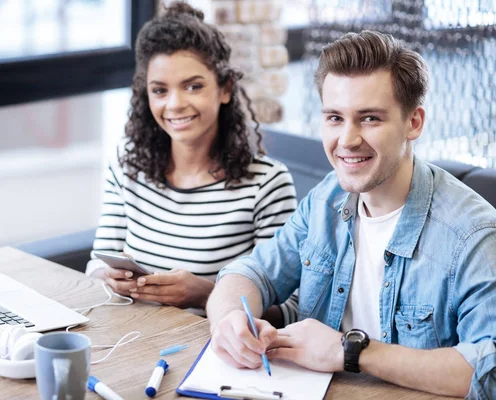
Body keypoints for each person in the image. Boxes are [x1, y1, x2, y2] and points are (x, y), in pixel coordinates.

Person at [206, 30, 496, 398]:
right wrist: (230, 320)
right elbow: (251, 273)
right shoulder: (327, 197)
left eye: (370, 118)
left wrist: (351, 351)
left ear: (414, 122)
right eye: (334, 118)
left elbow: (488, 371)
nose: (347, 139)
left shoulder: (473, 234)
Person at [86, 2, 297, 319]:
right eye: (160, 90)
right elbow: (95, 267)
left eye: (193, 86)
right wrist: (107, 277)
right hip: (132, 343)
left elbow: (293, 309)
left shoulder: (266, 185)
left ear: (225, 89)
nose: (175, 104)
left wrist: (208, 296)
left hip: (215, 355)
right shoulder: (126, 171)